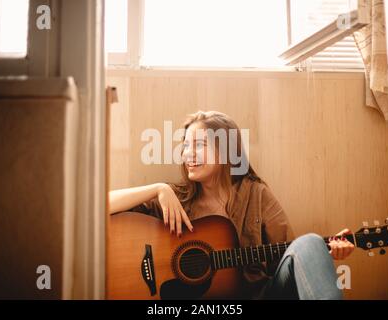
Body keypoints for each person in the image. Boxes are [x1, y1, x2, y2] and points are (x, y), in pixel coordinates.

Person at [109, 111, 354, 300]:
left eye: (199, 145)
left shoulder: (256, 194)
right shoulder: (175, 198)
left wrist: (321, 252)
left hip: (258, 296)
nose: (188, 155)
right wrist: (158, 188)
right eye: (185, 146)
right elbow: (99, 205)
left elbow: (287, 256)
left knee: (310, 242)